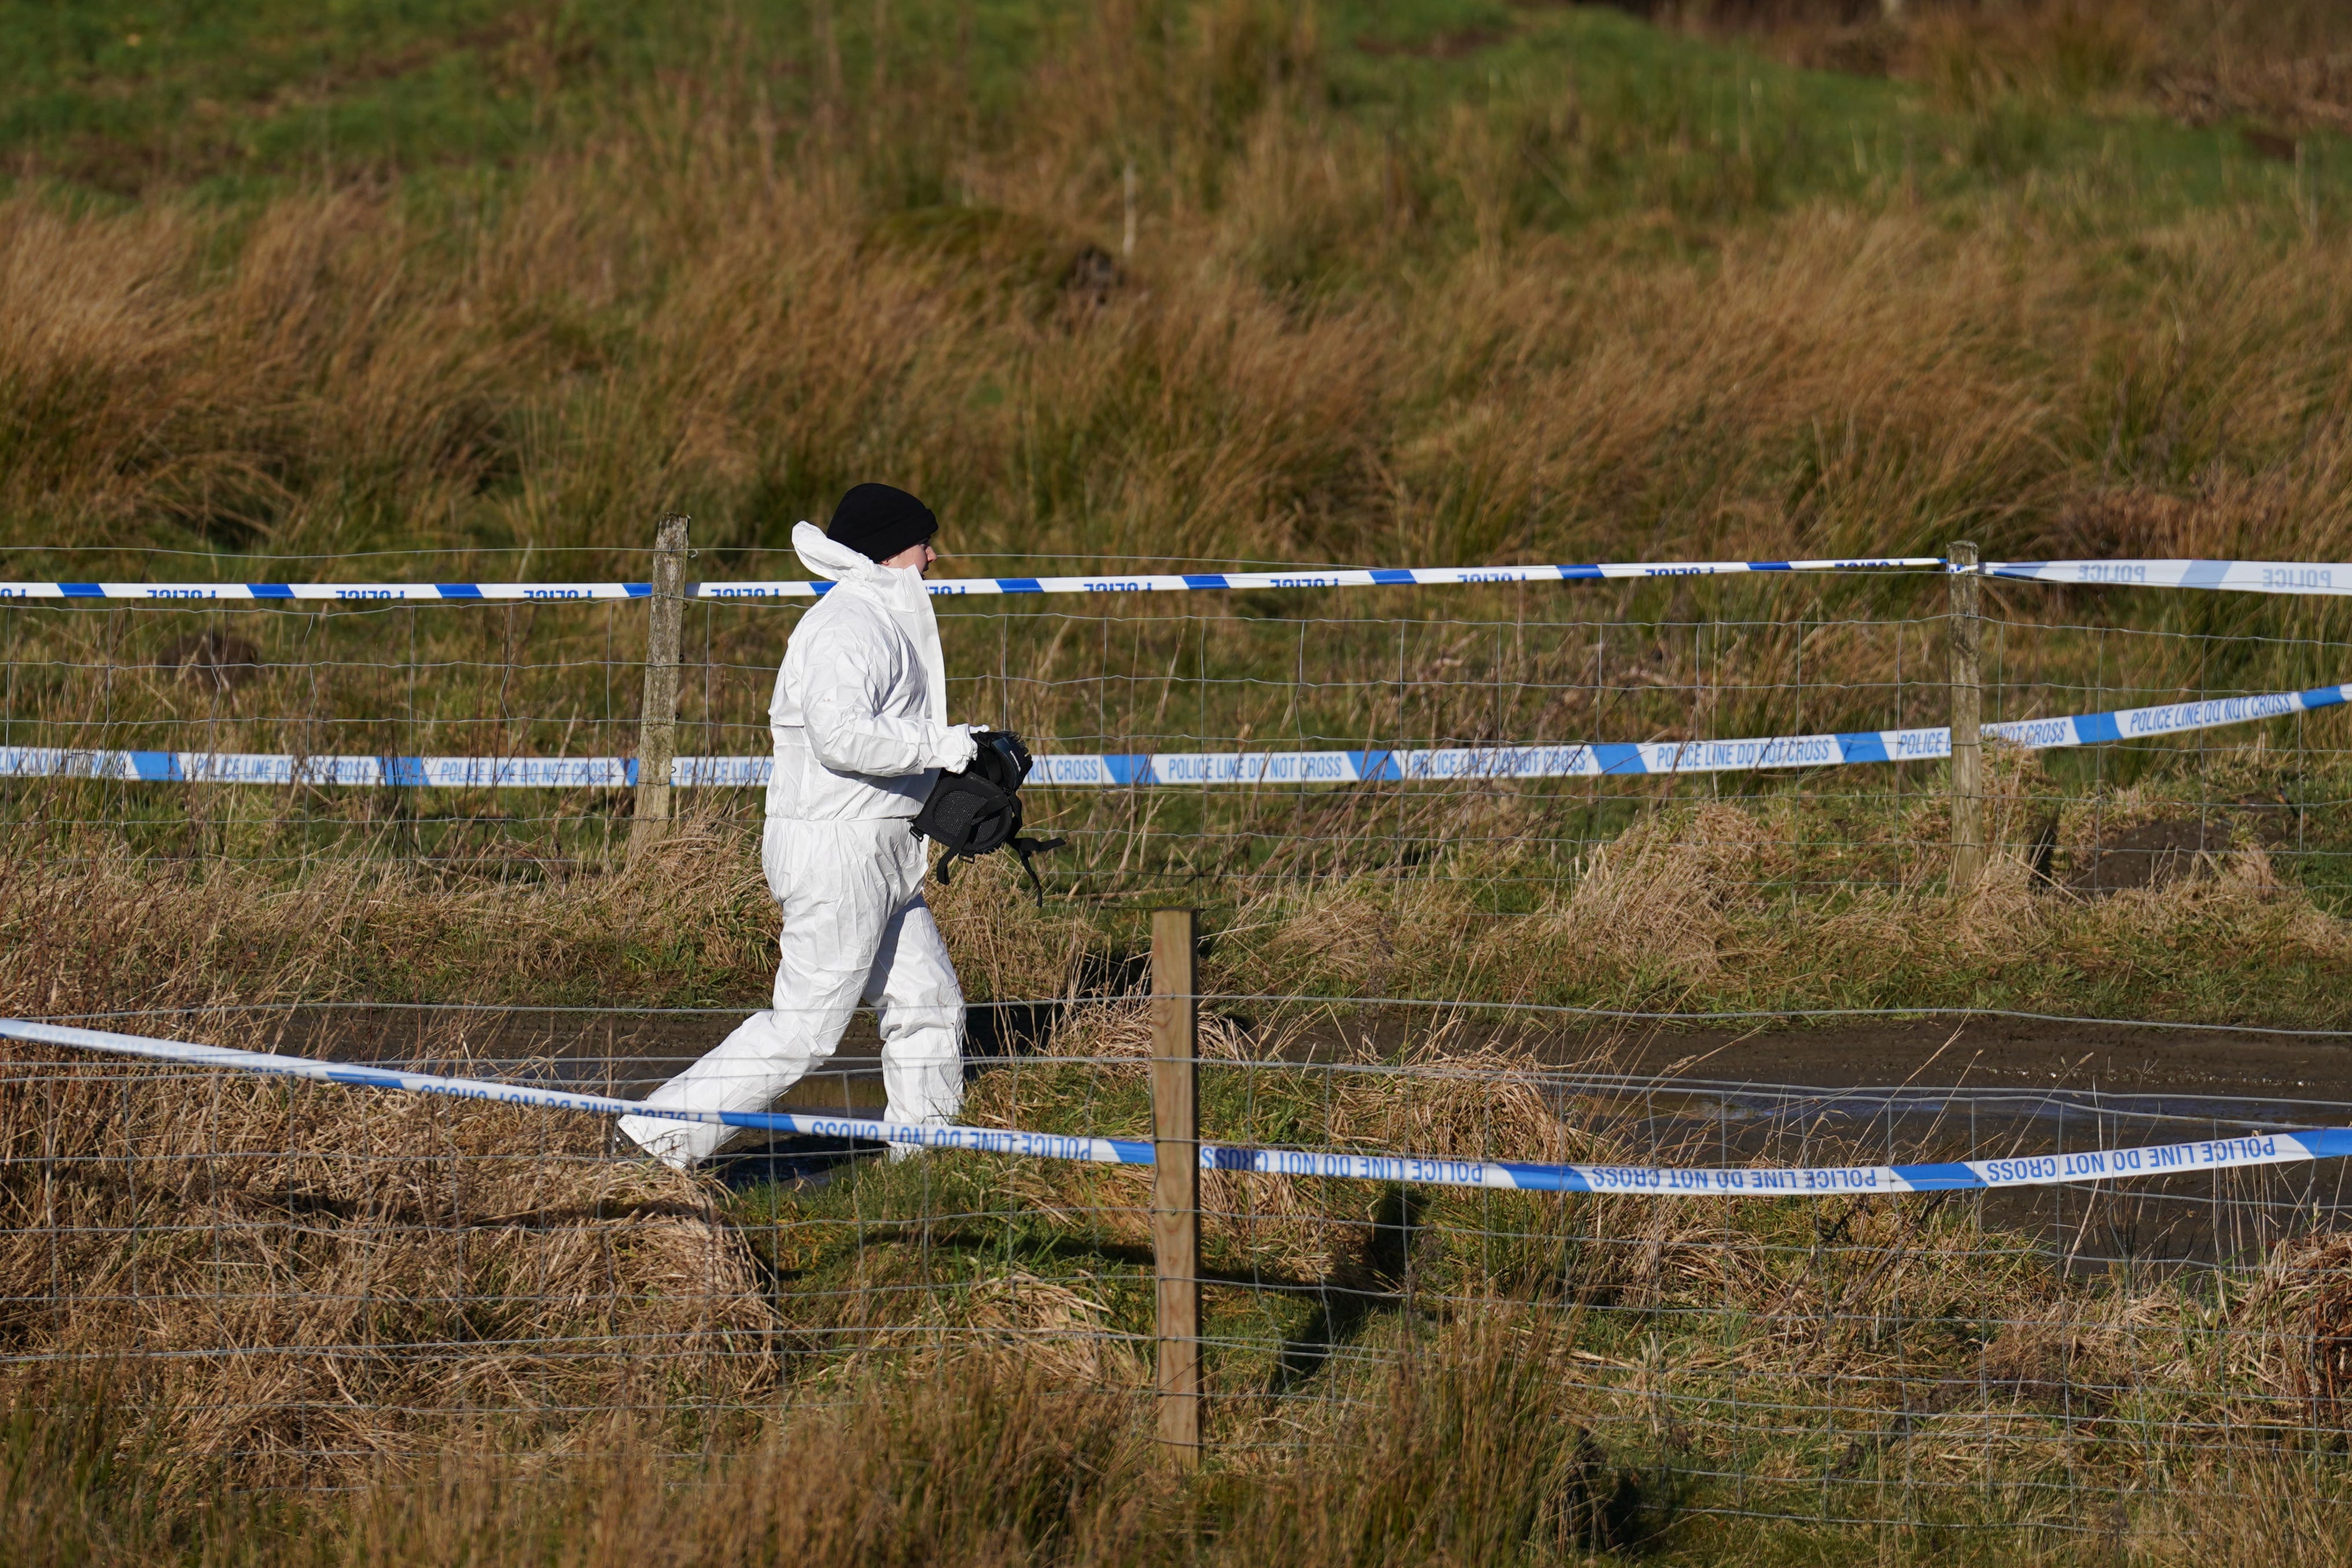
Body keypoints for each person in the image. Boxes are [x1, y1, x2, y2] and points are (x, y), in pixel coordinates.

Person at [617, 483, 979, 1170]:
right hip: (837, 855)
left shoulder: (882, 618)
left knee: (929, 1003)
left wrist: (968, 746)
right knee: (807, 1031)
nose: (932, 556)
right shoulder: (848, 627)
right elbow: (841, 735)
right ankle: (654, 1139)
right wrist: (942, 747)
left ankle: (928, 1163)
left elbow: (887, 728)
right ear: (888, 550)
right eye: (921, 542)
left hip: (882, 850)